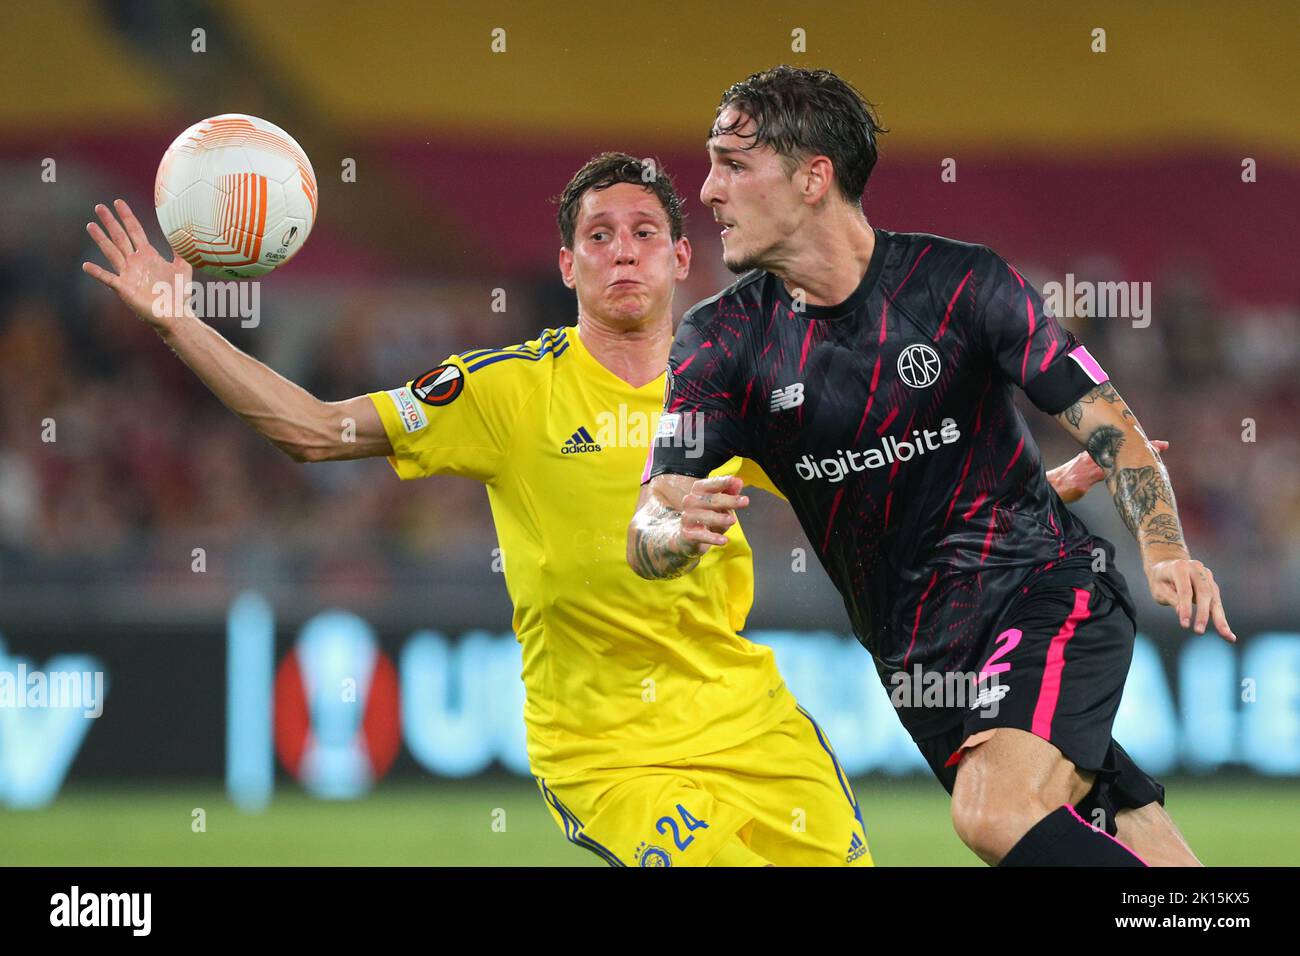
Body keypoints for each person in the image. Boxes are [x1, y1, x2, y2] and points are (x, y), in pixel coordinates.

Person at [81, 155, 877, 867]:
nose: (623, 249)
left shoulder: (736, 383)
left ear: (679, 258)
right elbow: (313, 431)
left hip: (752, 724)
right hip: (611, 755)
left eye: (643, 231)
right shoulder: (505, 390)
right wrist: (179, 322)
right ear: (568, 265)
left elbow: (870, 473)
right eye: (599, 235)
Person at [630, 66, 1223, 866]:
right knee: (1115, 831)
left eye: (733, 164)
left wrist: (1165, 548)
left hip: (1047, 589)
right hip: (921, 665)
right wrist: (670, 529)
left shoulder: (961, 286)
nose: (706, 190)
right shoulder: (722, 341)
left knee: (994, 812)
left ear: (814, 177)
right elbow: (650, 517)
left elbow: (1110, 425)